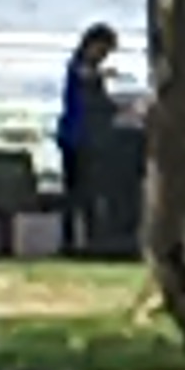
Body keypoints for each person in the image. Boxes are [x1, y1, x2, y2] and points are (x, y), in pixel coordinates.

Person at [57, 23, 122, 256]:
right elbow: (85, 78)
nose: (104, 56)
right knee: (76, 191)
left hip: (87, 136)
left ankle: (89, 239)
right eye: (103, 50)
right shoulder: (78, 67)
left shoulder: (88, 70)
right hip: (77, 136)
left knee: (87, 192)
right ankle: (71, 240)